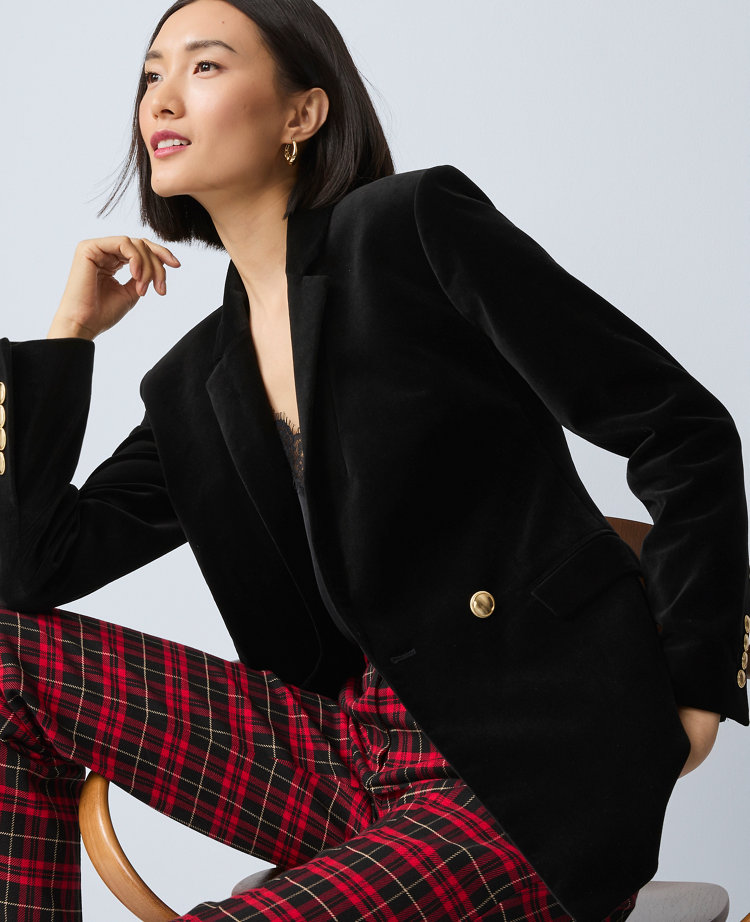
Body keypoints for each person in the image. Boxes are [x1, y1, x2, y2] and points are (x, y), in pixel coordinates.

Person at [0, 0, 747, 919]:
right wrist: (66, 337)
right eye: (152, 73)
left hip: (533, 763)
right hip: (348, 759)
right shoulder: (195, 383)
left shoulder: (410, 231)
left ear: (302, 113)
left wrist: (699, 684)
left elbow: (681, 428)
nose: (161, 96)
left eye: (204, 65)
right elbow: (29, 570)